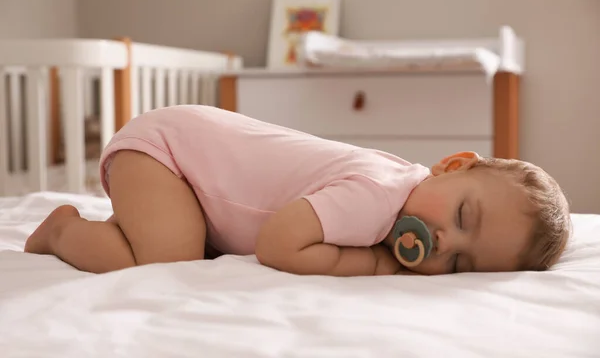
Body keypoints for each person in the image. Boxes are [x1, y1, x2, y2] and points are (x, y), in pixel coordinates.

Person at [24, 105, 572, 276]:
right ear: (451, 166)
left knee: (181, 238)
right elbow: (280, 243)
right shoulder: (380, 194)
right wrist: (373, 267)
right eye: (462, 216)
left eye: (458, 265)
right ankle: (63, 229)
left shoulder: (403, 193)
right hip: (167, 154)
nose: (442, 242)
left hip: (195, 183)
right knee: (168, 258)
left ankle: (131, 224)